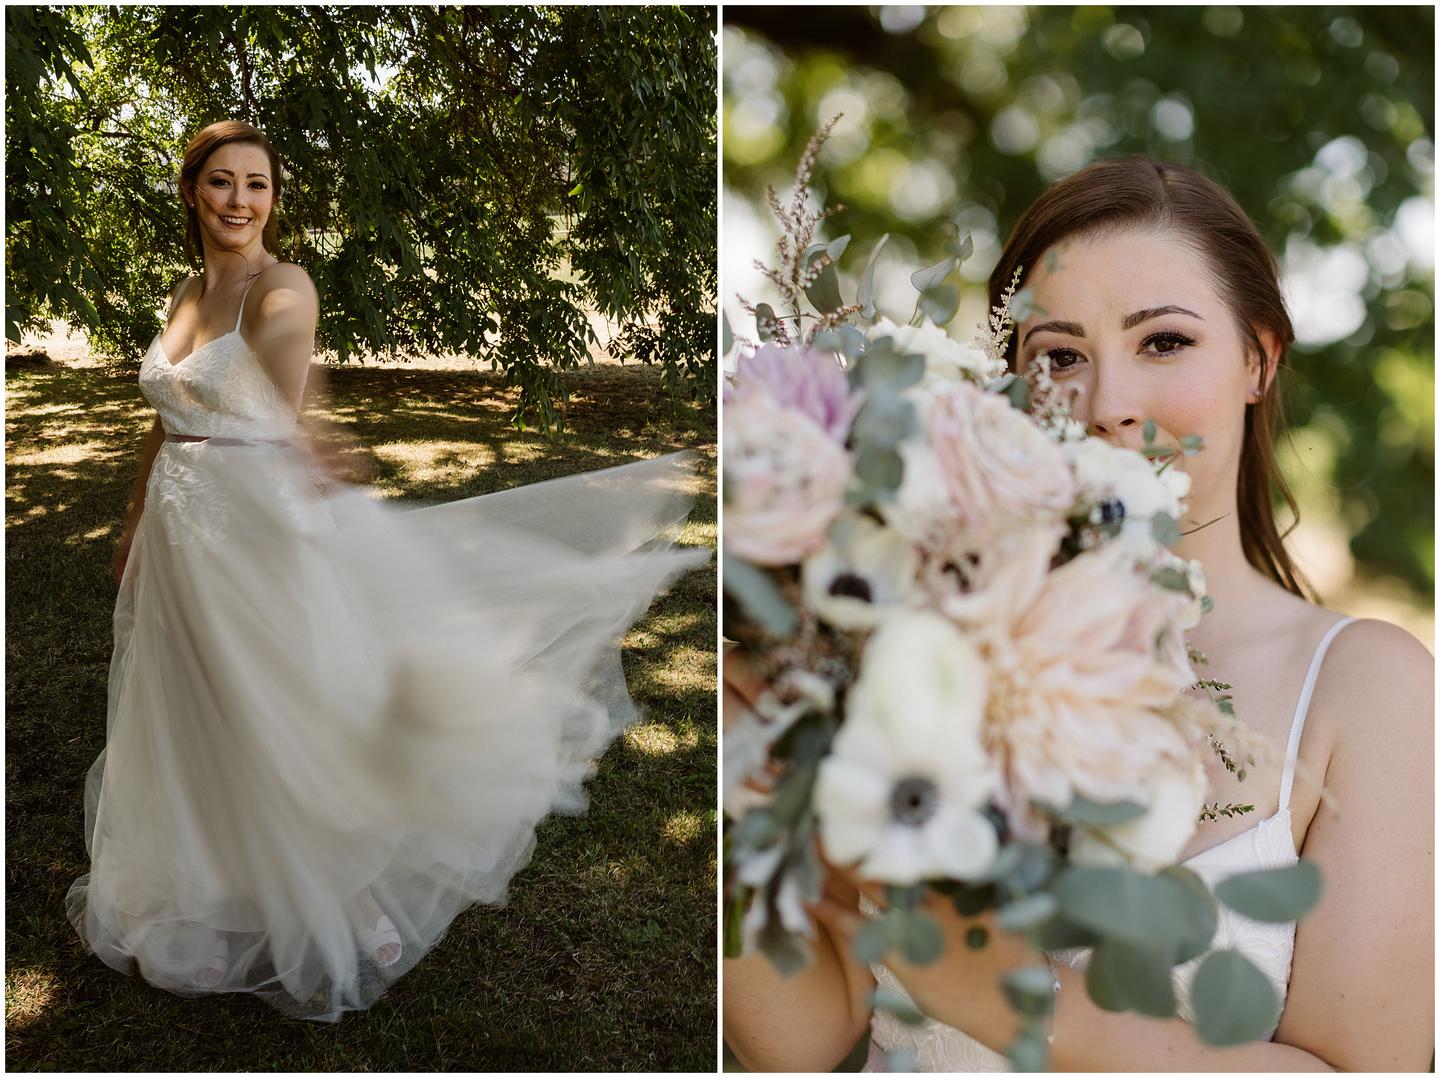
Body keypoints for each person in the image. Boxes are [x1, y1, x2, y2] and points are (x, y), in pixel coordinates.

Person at [722, 156, 1433, 1071]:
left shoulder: (1371, 689)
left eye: (1164, 342)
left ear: (1258, 359)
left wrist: (1007, 998)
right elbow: (805, 1038)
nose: (1110, 407)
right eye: (1059, 356)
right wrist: (738, 803)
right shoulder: (920, 632)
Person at [65, 120, 703, 1022]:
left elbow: (285, 393)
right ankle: (212, 881)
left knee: (273, 707)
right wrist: (135, 519)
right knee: (190, 703)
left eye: (257, 184)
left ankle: (351, 898)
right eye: (222, 181)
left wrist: (317, 443)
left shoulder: (283, 285)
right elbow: (164, 419)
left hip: (249, 523)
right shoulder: (184, 291)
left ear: (273, 198)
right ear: (192, 191)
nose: (240, 200)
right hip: (179, 521)